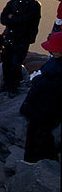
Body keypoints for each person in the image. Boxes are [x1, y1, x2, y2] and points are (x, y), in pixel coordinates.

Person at [20, 32, 62, 163]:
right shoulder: (54, 60)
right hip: (39, 106)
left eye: (55, 49)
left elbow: (54, 89)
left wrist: (38, 81)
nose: (52, 51)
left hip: (47, 109)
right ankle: (33, 161)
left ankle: (38, 163)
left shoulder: (58, 67)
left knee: (40, 136)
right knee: (35, 134)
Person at [0, 0, 41, 96]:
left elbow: (28, 20)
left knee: (16, 63)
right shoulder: (12, 3)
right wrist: (17, 19)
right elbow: (3, 19)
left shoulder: (34, 5)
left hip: (23, 39)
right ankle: (6, 85)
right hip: (10, 37)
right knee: (6, 62)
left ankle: (14, 87)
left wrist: (13, 18)